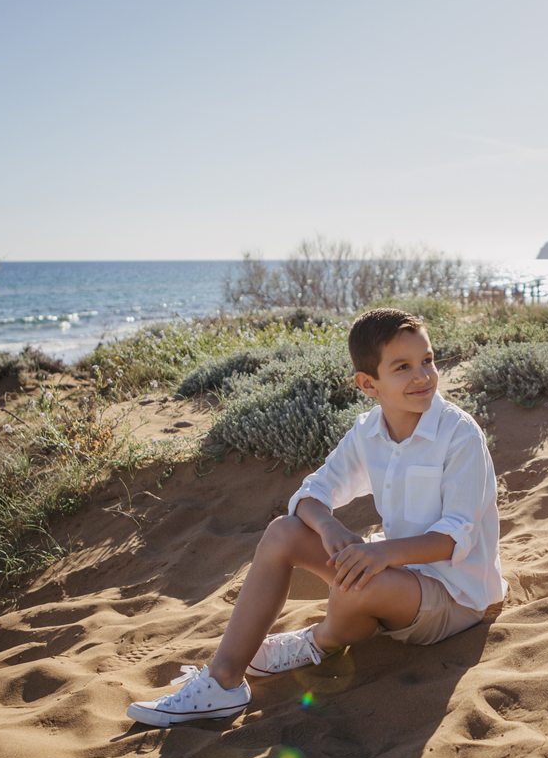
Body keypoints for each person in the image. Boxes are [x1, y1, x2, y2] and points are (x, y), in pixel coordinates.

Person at [127, 307, 505, 726]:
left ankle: (318, 640)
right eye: (403, 367)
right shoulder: (368, 431)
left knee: (354, 585)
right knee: (283, 532)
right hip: (399, 574)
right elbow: (311, 493)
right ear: (368, 384)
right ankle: (223, 683)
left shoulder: (460, 434)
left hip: (456, 596)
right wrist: (329, 527)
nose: (423, 376)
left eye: (428, 360)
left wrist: (380, 555)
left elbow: (453, 539)